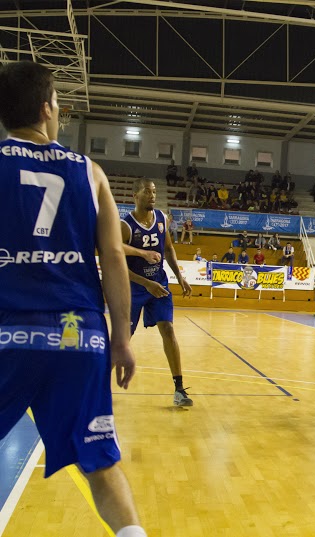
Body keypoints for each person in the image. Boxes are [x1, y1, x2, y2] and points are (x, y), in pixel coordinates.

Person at [0, 61, 145, 536]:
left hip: (8, 334)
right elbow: (115, 261)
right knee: (100, 463)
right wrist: (121, 340)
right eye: (58, 102)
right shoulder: (91, 172)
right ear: (46, 109)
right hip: (78, 336)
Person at [121, 179, 193, 407]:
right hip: (133, 287)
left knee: (168, 329)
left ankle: (179, 389)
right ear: (135, 195)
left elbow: (169, 248)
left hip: (159, 283)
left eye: (154, 192)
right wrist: (145, 283)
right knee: (122, 340)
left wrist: (179, 276)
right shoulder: (126, 225)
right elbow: (119, 264)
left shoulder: (161, 219)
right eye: (147, 192)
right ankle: (97, 387)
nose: (152, 195)